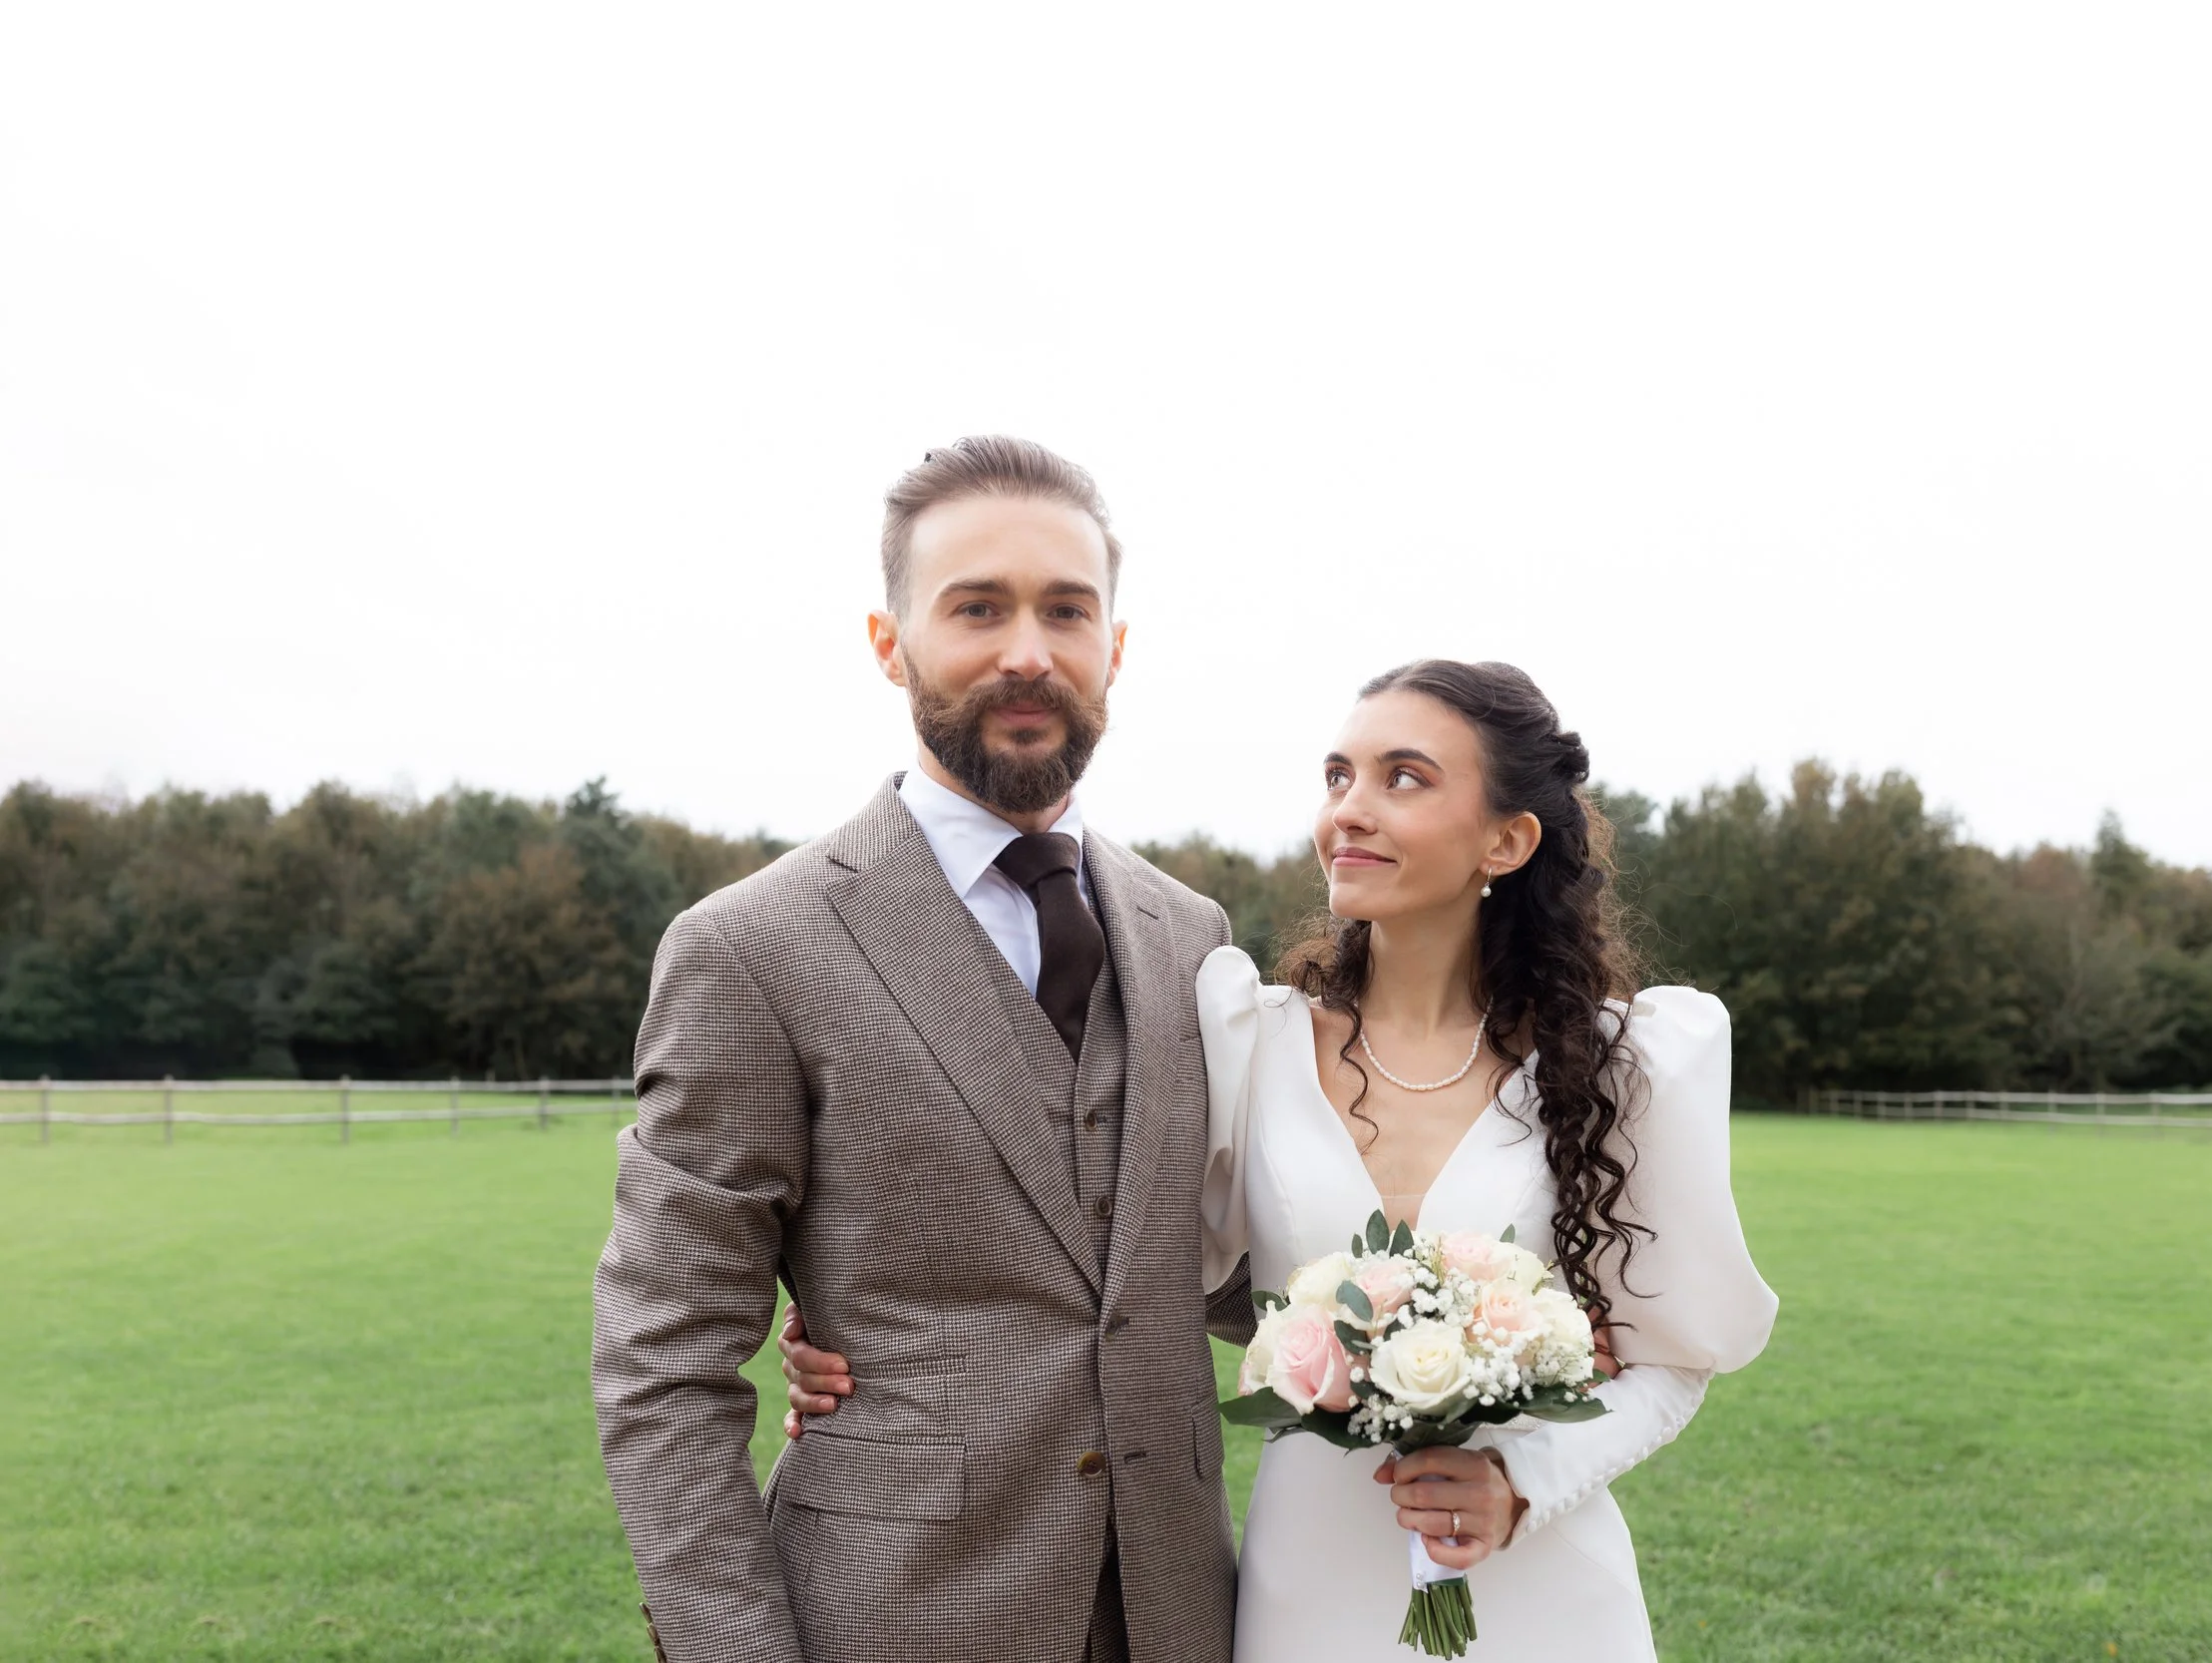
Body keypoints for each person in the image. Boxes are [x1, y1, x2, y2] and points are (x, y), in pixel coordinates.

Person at [785, 658, 1779, 1660]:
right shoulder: (1242, 1038)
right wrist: (861, 1320)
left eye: (1404, 777)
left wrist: (1524, 1476)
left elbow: (1671, 1360)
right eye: (1337, 775)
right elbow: (1099, 1248)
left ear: (1507, 838)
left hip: (1544, 1593)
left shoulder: (1622, 1061)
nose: (1348, 809)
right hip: (1308, 1586)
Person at [591, 436, 1250, 1663]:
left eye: (1066, 609)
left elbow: (1219, 1267)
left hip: (1181, 1617)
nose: (1026, 650)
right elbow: (661, 1359)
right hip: (892, 1613)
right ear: (890, 642)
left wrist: (1501, 1298)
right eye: (976, 607)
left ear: (1116, 646)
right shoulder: (750, 945)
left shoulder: (1193, 937)